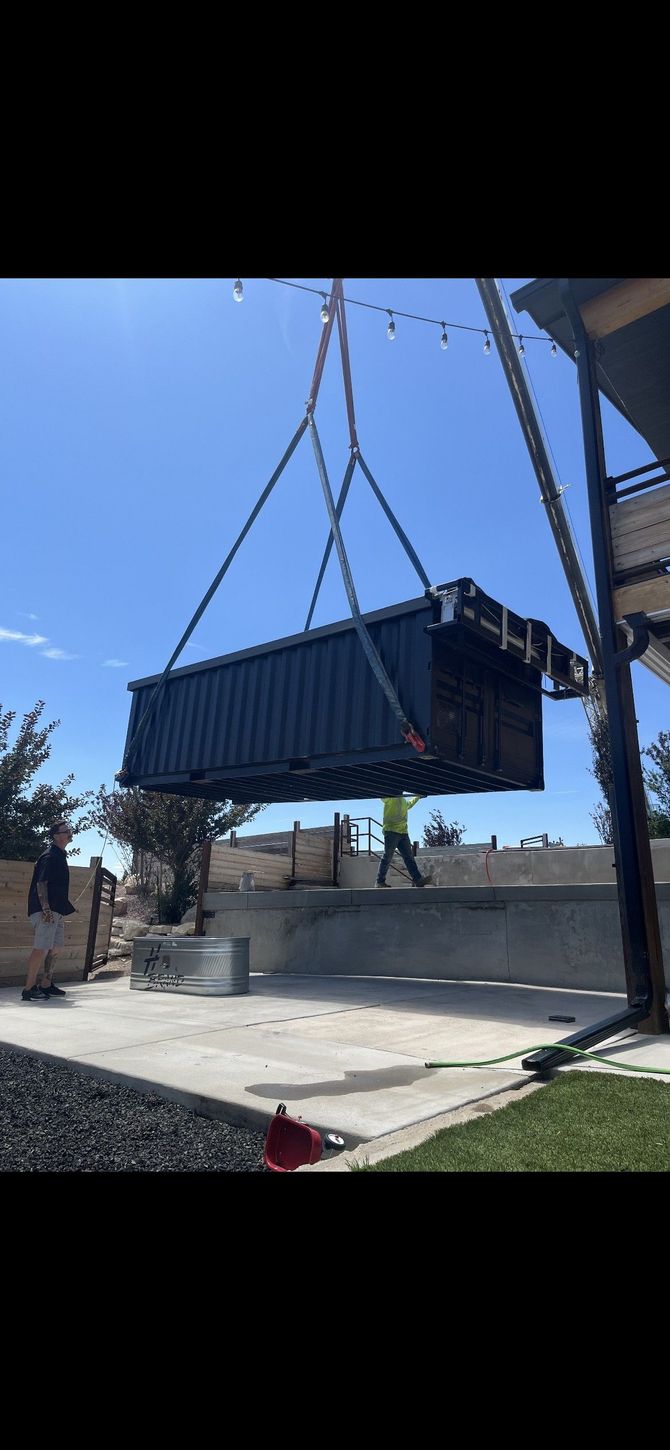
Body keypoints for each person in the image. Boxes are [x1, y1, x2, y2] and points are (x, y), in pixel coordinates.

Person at [22, 821, 75, 1001]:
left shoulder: (60, 855)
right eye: (66, 831)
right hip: (46, 910)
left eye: (69, 830)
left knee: (56, 948)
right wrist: (46, 909)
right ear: (56, 836)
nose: (69, 832)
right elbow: (41, 884)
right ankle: (28, 989)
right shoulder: (50, 856)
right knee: (41, 948)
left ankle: (46, 984)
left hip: (56, 911)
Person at [375, 796, 433, 888]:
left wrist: (418, 796)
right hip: (391, 831)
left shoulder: (403, 800)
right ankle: (379, 882)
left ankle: (418, 879)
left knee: (409, 857)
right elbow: (382, 797)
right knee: (387, 856)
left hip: (403, 833)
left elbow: (409, 805)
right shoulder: (390, 798)